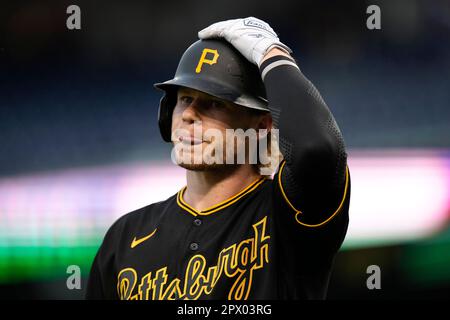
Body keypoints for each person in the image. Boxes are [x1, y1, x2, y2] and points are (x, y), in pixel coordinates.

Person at [86, 17, 350, 300]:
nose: (188, 114)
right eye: (185, 99)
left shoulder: (287, 214)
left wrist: (271, 54)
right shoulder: (124, 238)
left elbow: (316, 149)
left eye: (214, 103)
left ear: (263, 124)